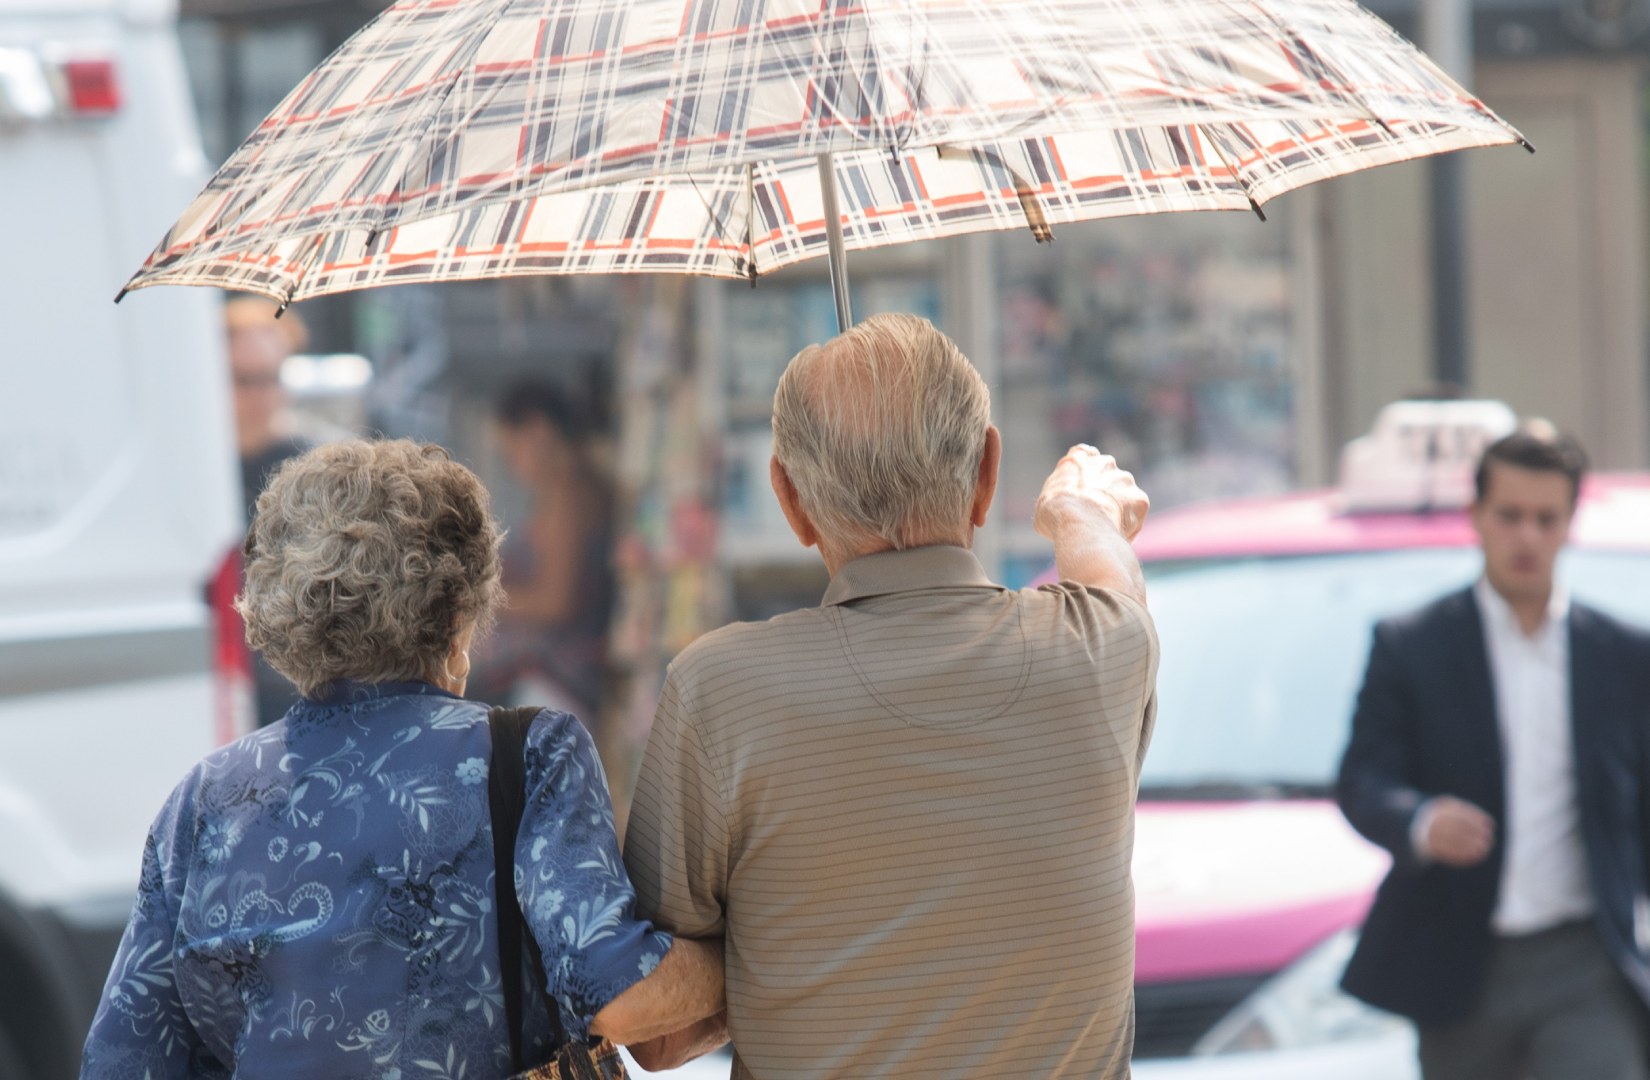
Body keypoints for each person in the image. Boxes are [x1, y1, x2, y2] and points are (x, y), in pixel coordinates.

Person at [79, 439, 724, 1080]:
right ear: (457, 615)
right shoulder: (529, 755)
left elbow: (122, 1060)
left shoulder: (204, 802)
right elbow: (618, 989)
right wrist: (752, 958)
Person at [622, 313, 1159, 1079]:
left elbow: (658, 1030)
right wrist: (1078, 509)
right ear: (987, 473)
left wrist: (804, 961)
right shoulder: (1100, 653)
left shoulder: (721, 690)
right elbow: (1113, 576)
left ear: (790, 500)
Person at [1338, 422, 1650, 1080]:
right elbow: (1365, 779)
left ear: (1570, 523)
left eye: (1546, 518)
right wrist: (1422, 821)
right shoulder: (1412, 645)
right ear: (1475, 516)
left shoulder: (1623, 656)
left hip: (1587, 963)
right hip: (1459, 963)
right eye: (1510, 515)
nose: (1528, 536)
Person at [469, 380, 617, 727]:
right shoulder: (564, 492)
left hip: (560, 682)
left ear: (538, 429)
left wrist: (482, 596)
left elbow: (555, 602)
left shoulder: (570, 496)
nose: (512, 465)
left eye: (512, 451)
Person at [226, 296, 314, 726]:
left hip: (292, 686)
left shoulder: (312, 466)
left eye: (271, 378)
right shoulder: (193, 468)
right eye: (245, 380)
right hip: (220, 677)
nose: (261, 395)